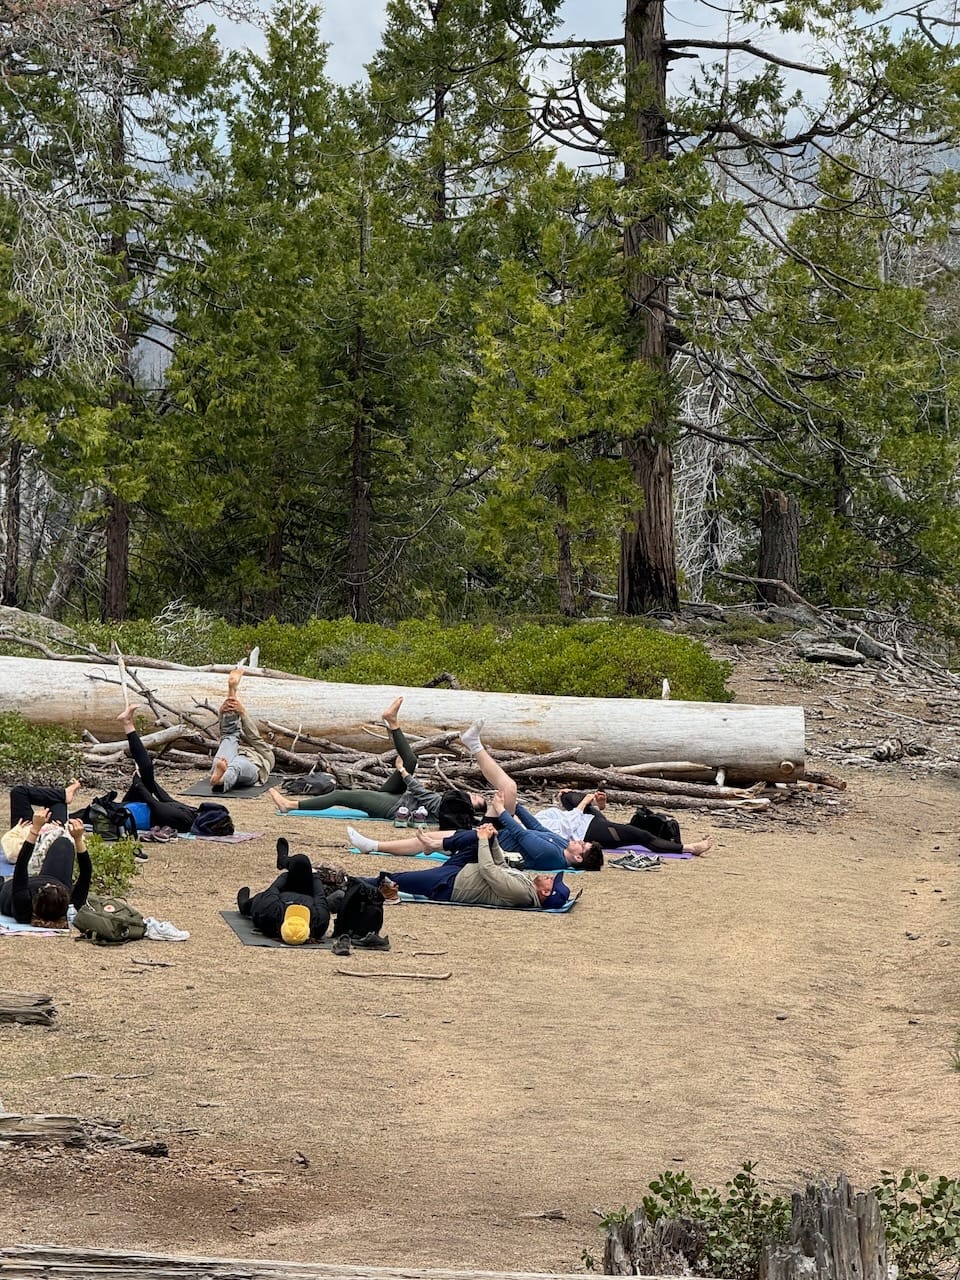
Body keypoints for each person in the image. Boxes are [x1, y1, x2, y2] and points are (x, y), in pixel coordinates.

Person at [459, 722, 713, 858]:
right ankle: (688, 848)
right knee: (638, 834)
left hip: (580, 824)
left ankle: (474, 745)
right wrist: (585, 805)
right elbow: (553, 825)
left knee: (514, 788)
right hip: (584, 827)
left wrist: (509, 810)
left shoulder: (533, 828)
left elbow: (538, 824)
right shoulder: (539, 834)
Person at [268, 697, 485, 828]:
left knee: (340, 795)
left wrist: (402, 772)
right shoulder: (454, 805)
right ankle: (392, 722)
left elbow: (421, 792)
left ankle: (290, 805)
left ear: (470, 808)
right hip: (399, 798)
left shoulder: (449, 807)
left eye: (476, 799)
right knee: (411, 759)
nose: (473, 795)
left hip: (392, 806)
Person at [351, 823, 571, 910]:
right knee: (477, 835)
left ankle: (351, 882)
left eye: (552, 881)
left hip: (449, 884)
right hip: (460, 870)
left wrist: (485, 841)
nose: (550, 877)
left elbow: (489, 870)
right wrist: (492, 839)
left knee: (395, 880)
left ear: (545, 892)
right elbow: (501, 864)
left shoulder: (522, 893)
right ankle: (436, 845)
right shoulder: (527, 885)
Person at [0, 807, 91, 926]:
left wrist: (35, 829)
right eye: (55, 887)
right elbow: (86, 874)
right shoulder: (71, 905)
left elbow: (21, 865)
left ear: (36, 900)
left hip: (10, 889)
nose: (47, 884)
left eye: (46, 887)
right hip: (53, 879)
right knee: (64, 843)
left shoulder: (23, 908)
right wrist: (78, 839)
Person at [116, 706, 199, 832]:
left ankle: (127, 723)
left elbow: (154, 803)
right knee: (146, 768)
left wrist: (138, 783)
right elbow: (167, 799)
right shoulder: (192, 813)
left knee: (146, 769)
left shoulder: (184, 821)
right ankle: (127, 724)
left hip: (132, 812)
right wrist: (149, 780)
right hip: (140, 806)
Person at [236, 846, 331, 945]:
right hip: (301, 897)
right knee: (301, 864)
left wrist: (287, 876)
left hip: (286, 897)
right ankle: (284, 860)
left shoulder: (271, 913)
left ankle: (245, 906)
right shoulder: (319, 924)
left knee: (262, 897)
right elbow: (320, 896)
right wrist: (314, 878)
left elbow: (272, 890)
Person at [210, 668, 275, 793]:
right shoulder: (236, 748)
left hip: (250, 766)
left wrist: (243, 713)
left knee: (236, 765)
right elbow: (229, 733)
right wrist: (222, 712)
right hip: (228, 759)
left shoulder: (266, 756)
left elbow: (254, 738)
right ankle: (232, 690)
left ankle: (220, 779)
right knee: (229, 737)